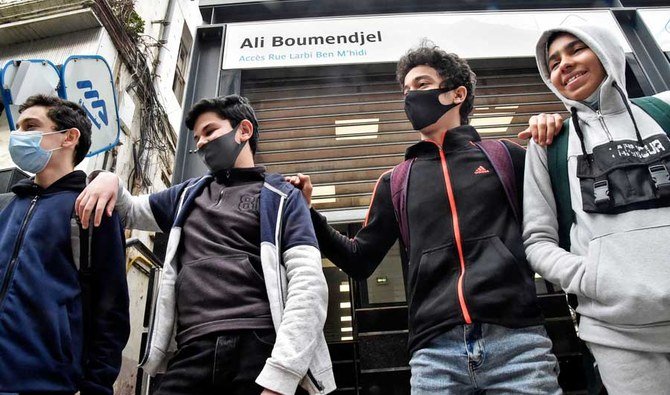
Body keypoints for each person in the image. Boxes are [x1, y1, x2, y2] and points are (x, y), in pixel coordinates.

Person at [289, 44, 561, 394]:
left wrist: (554, 131)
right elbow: (358, 260)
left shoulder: (505, 156)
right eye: (405, 91)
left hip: (518, 344)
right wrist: (308, 212)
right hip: (435, 356)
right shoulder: (396, 181)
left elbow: (559, 223)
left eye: (420, 85)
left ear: (456, 94)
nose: (409, 97)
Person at [75, 94, 335, 395]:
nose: (200, 144)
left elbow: (309, 284)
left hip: (259, 346)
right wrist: (107, 178)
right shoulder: (185, 195)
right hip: (191, 349)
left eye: (209, 132)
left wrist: (282, 375)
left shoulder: (281, 196)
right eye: (197, 137)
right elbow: (130, 209)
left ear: (244, 131)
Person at [523, 24, 670, 394]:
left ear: (605, 51)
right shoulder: (549, 144)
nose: (565, 65)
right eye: (554, 62)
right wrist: (592, 277)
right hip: (619, 335)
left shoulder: (663, 112)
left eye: (576, 50)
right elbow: (537, 241)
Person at [0, 95, 129, 395]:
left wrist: (96, 386)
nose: (18, 135)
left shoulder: (91, 209)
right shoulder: (6, 206)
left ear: (69, 137)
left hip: (46, 382)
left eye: (31, 126)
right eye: (17, 127)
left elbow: (111, 311)